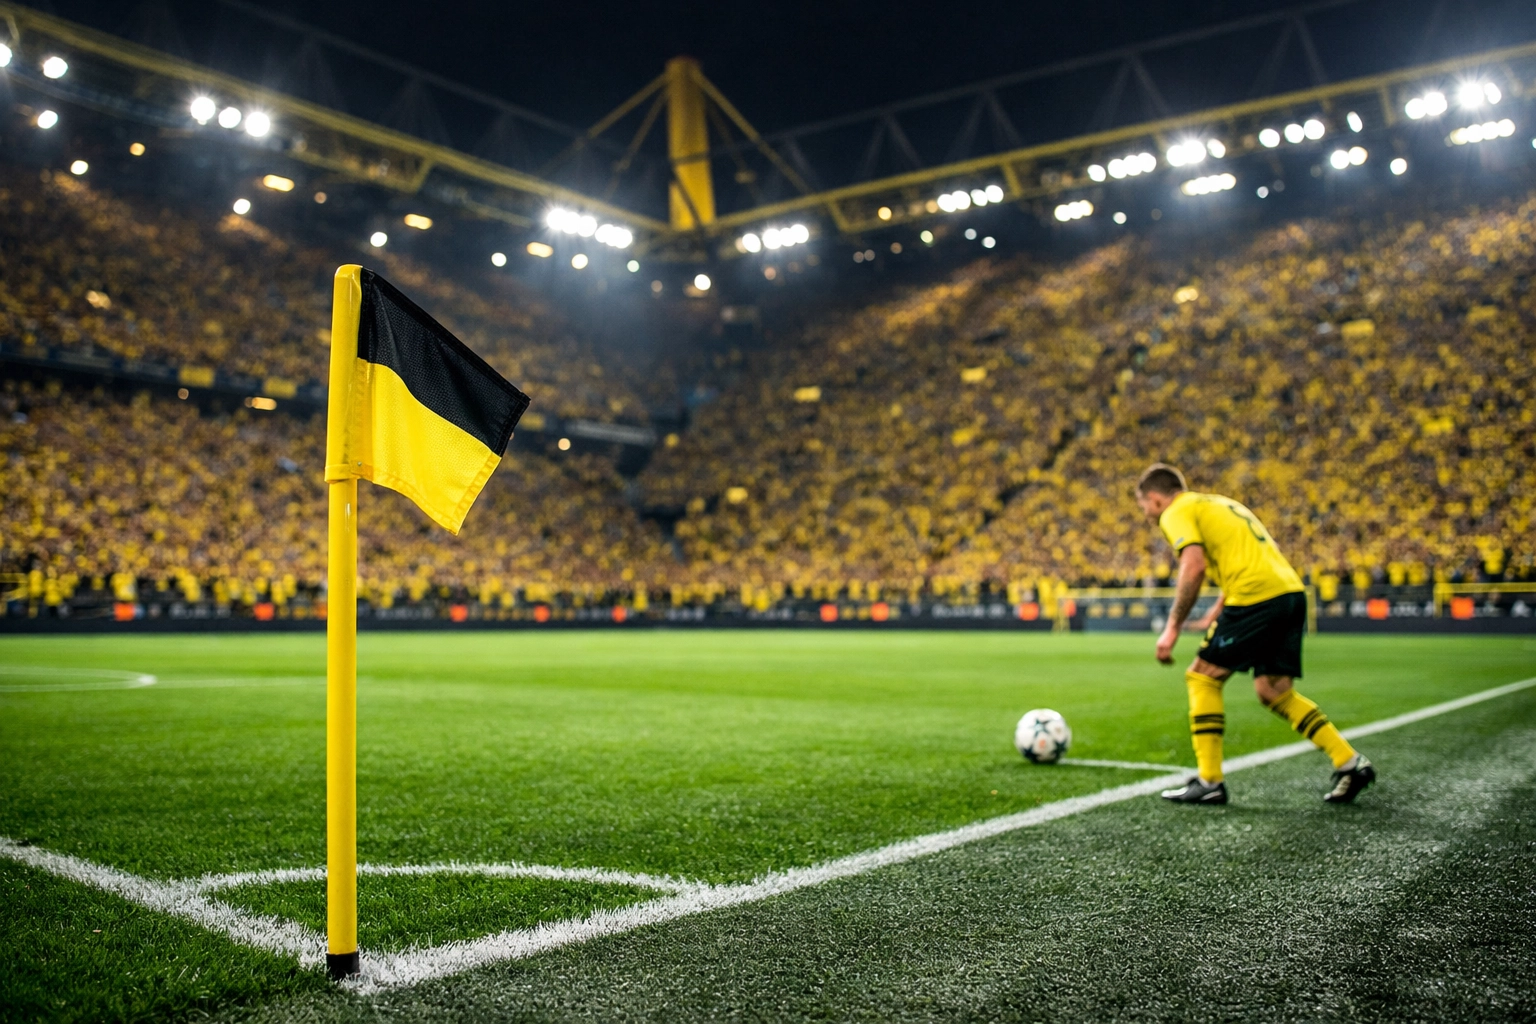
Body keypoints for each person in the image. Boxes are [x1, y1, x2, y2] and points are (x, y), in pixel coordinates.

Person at [1134, 463, 1375, 805]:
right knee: (1274, 691)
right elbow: (1246, 556)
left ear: (1156, 499)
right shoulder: (1219, 504)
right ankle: (1351, 763)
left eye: (1143, 506)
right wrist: (1214, 614)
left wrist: (1171, 627)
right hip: (1289, 594)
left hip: (1256, 596)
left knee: (1202, 677)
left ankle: (1209, 781)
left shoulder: (1176, 511)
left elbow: (1194, 564)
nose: (1146, 513)